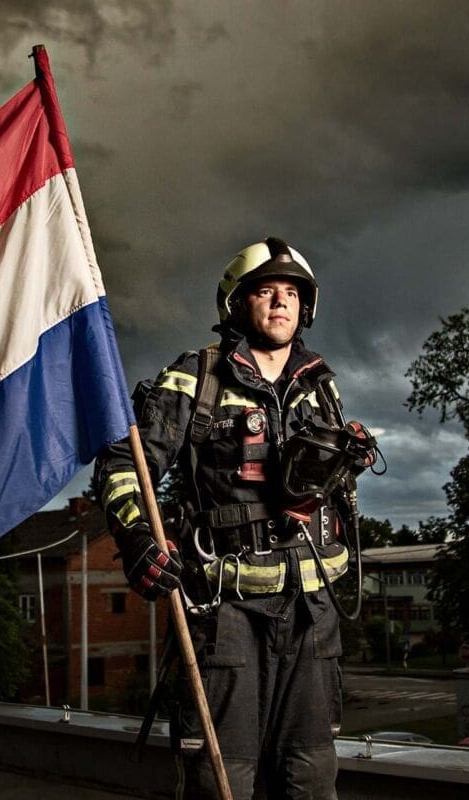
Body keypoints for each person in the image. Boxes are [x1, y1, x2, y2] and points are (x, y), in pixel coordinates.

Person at [95, 237, 374, 799]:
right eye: (266, 291)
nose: (281, 301)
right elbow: (123, 463)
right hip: (227, 615)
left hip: (312, 614)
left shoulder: (321, 384)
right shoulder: (196, 376)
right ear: (236, 303)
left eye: (292, 292)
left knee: (310, 776)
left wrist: (347, 462)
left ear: (306, 306)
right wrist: (138, 538)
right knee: (222, 778)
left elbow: (319, 488)